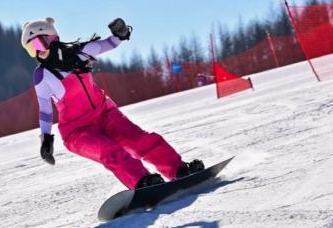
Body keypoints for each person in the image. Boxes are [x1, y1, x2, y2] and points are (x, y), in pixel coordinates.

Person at [21, 17, 204, 190]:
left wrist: (119, 34)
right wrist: (46, 138)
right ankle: (142, 181)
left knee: (139, 140)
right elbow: (45, 110)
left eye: (39, 44)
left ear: (53, 38)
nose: (37, 52)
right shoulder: (42, 75)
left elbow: (108, 44)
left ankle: (179, 170)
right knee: (109, 150)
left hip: (106, 114)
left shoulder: (79, 53)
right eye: (30, 49)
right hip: (76, 131)